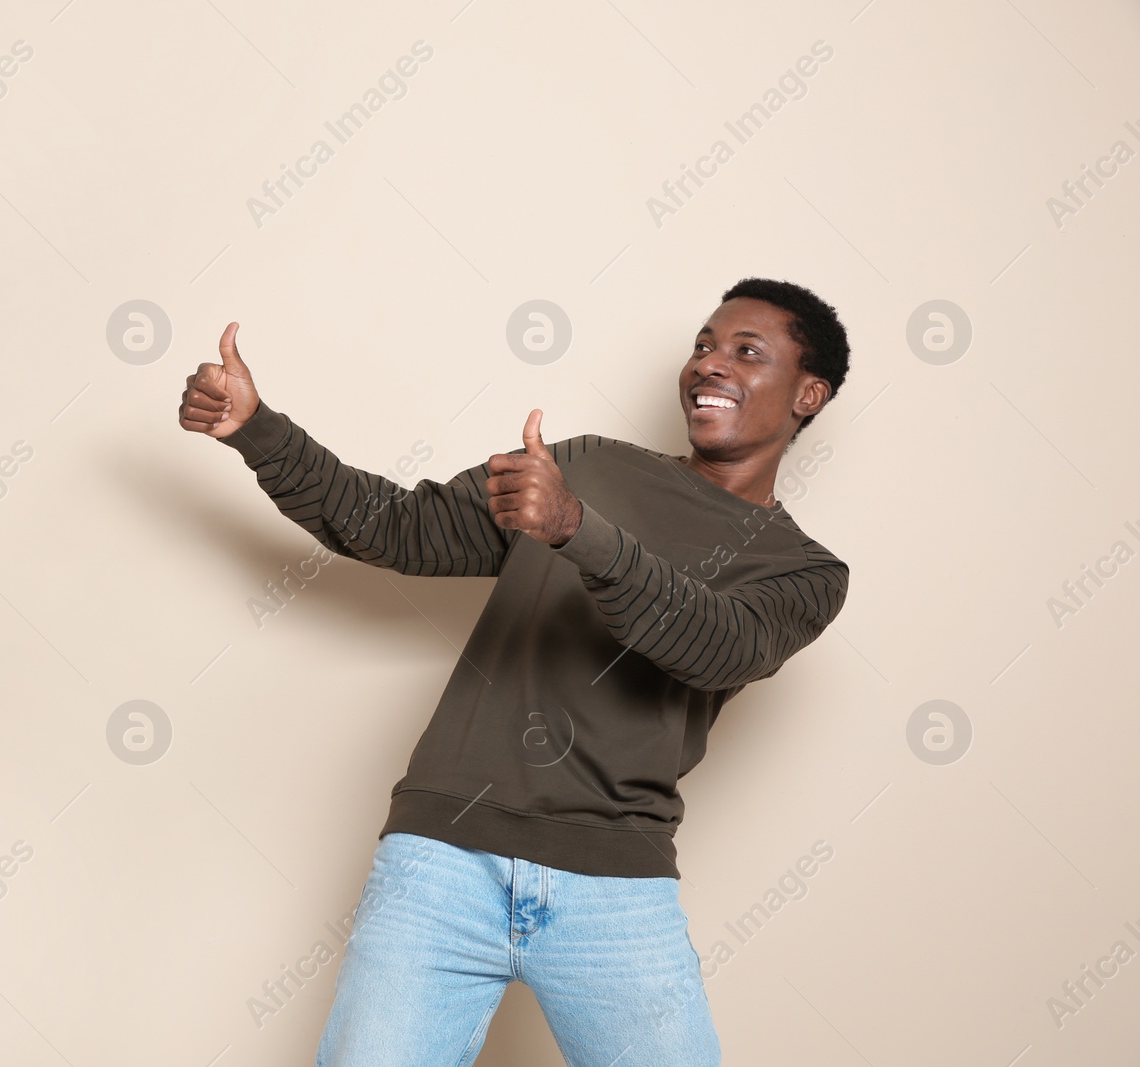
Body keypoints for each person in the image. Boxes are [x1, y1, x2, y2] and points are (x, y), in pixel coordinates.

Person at [177, 277, 852, 1066]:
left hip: (615, 886)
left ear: (809, 392)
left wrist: (578, 532)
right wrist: (257, 430)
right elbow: (401, 528)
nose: (710, 364)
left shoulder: (803, 570)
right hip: (442, 861)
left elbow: (714, 644)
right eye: (703, 344)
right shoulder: (587, 465)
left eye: (746, 351)